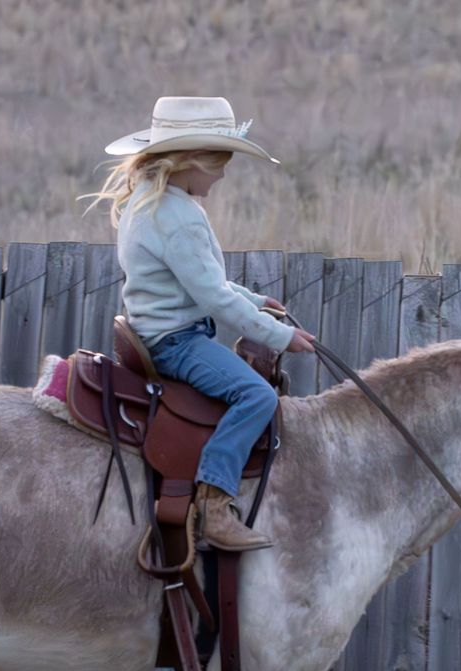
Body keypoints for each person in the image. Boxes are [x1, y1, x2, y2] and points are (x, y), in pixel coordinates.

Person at [80, 95, 316, 551]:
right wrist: (281, 337)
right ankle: (213, 500)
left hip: (156, 331)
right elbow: (212, 296)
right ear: (191, 161)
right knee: (256, 396)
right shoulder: (180, 217)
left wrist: (255, 299)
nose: (224, 172)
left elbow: (198, 280)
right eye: (219, 161)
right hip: (177, 342)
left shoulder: (147, 205)